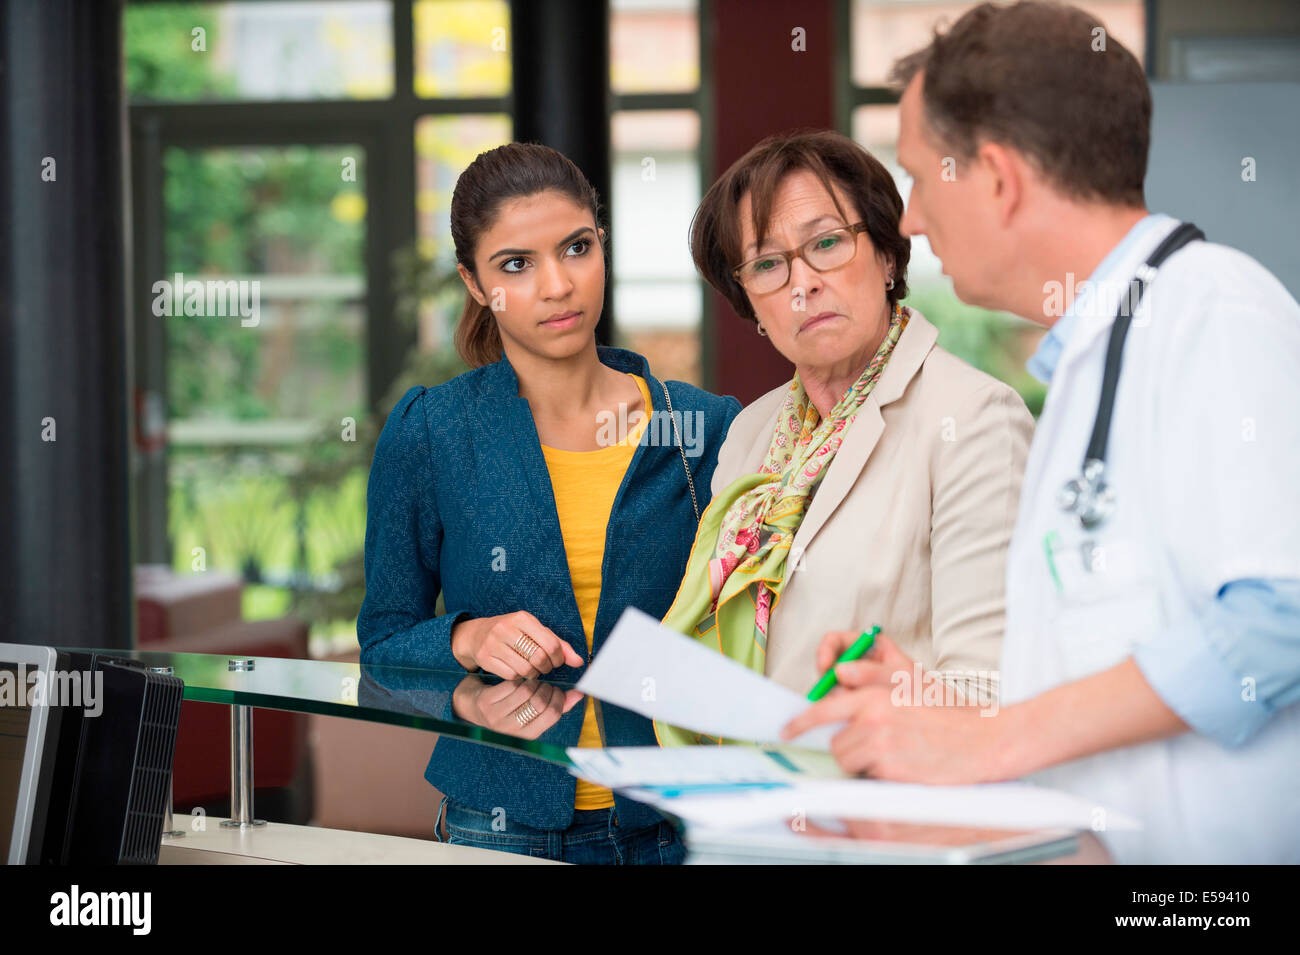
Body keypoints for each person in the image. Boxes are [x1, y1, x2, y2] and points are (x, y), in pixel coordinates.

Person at [783, 1, 1300, 863]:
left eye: (919, 175)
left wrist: (997, 739)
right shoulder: (1087, 365)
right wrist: (949, 713)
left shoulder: (1215, 308)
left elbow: (1282, 616)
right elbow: (1127, 660)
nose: (908, 217)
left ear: (996, 176)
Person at [357, 142, 741, 863]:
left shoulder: (705, 430)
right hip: (500, 825)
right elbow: (382, 643)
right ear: (474, 282)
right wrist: (465, 637)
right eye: (516, 265)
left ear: (603, 245)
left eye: (576, 247)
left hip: (677, 821)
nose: (558, 284)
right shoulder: (434, 431)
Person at [655, 129, 1034, 745]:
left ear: (887, 256)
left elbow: (986, 693)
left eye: (826, 243)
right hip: (746, 802)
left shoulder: (974, 418)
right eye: (768, 265)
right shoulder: (751, 430)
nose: (801, 283)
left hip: (885, 815)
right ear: (749, 303)